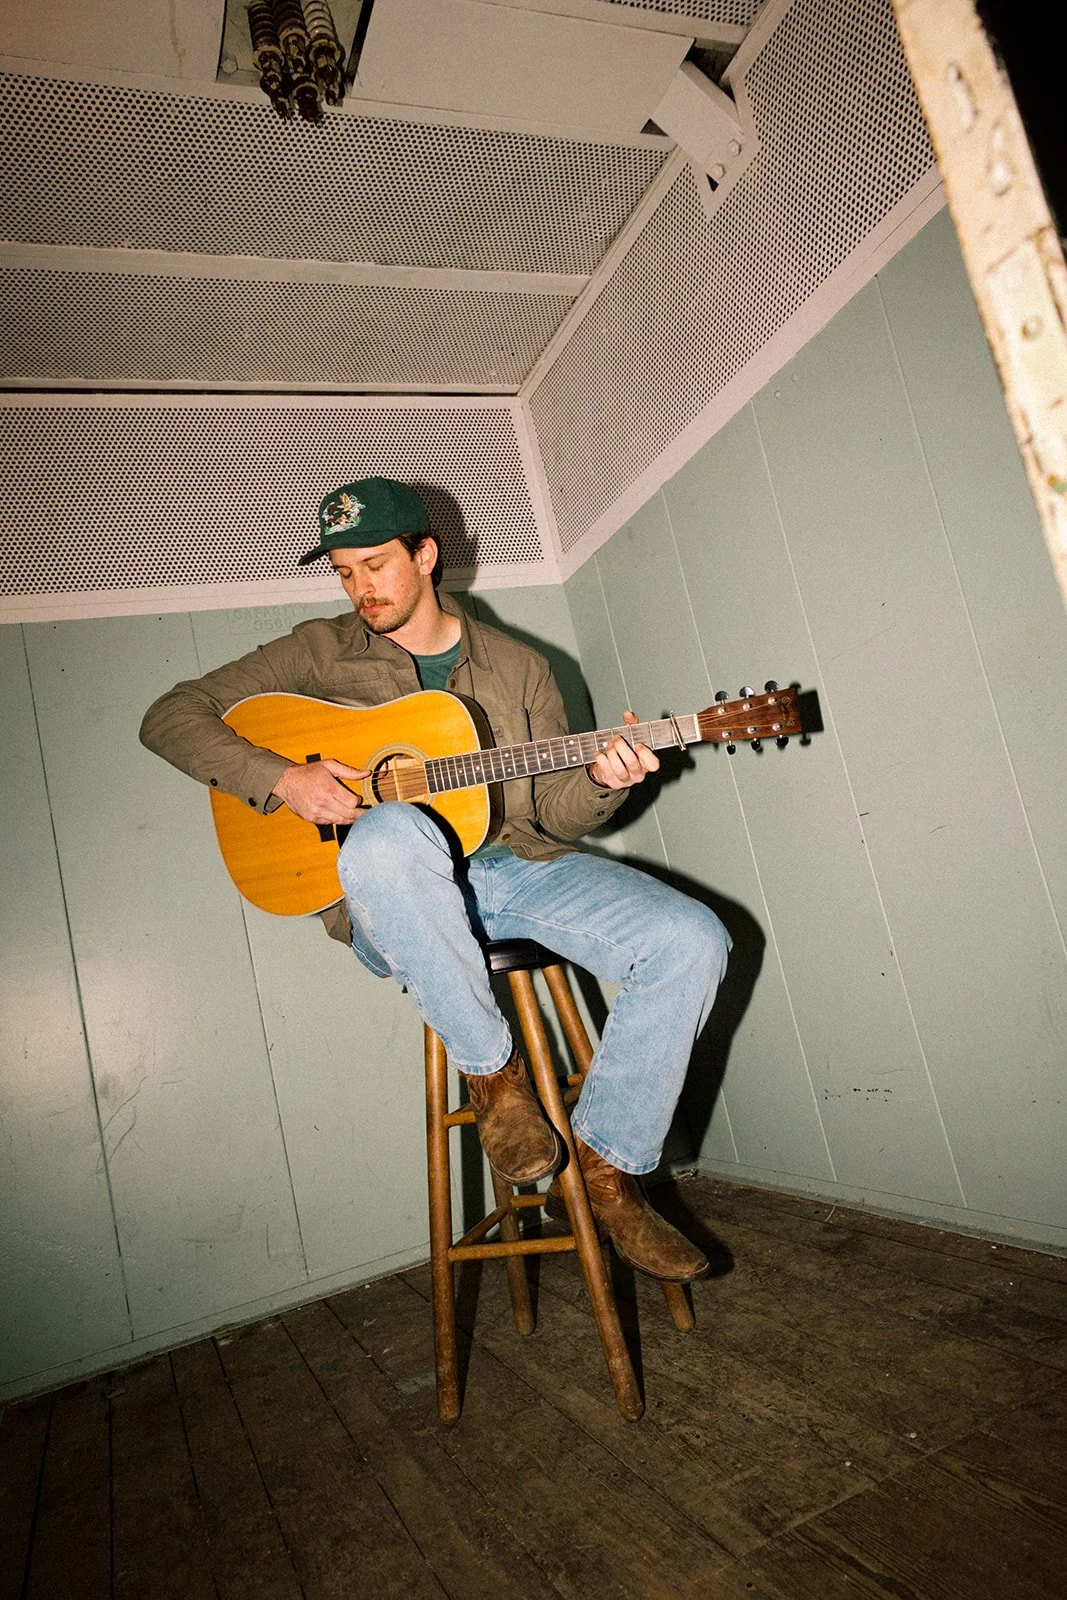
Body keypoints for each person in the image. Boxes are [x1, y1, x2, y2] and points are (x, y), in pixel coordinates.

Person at [140, 477, 731, 1282]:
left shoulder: (522, 667)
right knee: (388, 832)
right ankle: (496, 1082)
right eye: (344, 571)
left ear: (425, 554)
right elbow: (169, 715)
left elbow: (553, 814)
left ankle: (606, 1171)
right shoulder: (316, 651)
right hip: (390, 893)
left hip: (516, 868)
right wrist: (282, 778)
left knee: (691, 939)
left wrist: (607, 780)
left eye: (375, 564)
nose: (360, 588)